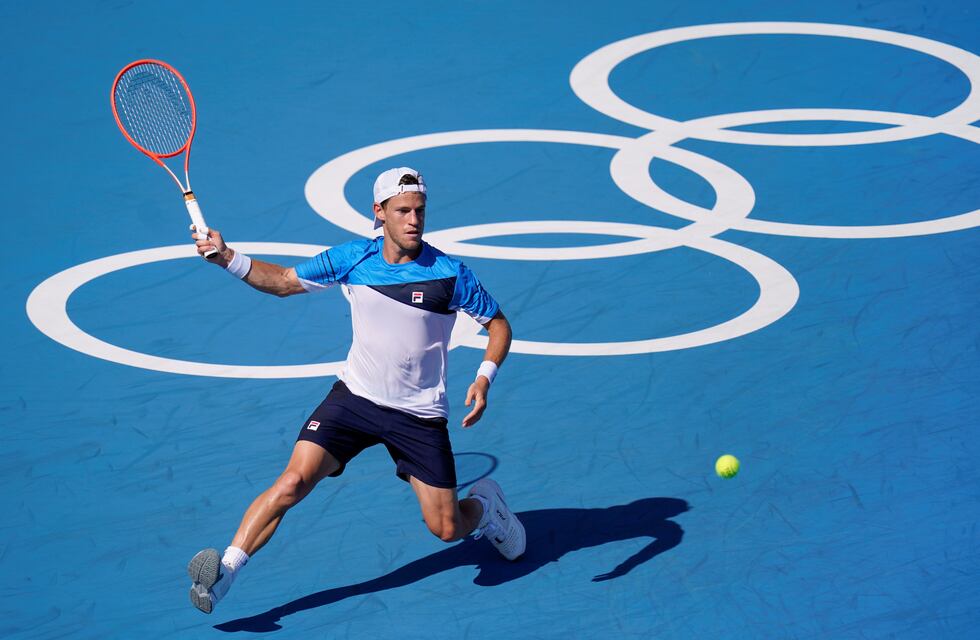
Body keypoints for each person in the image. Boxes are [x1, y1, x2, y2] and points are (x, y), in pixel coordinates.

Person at [186, 168, 525, 614]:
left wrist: (484, 377)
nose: (413, 221)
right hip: (355, 400)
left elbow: (497, 324)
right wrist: (227, 257)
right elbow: (285, 282)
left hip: (418, 416)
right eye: (402, 211)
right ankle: (224, 574)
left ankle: (486, 507)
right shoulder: (353, 258)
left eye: (419, 211)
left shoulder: (449, 273)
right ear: (379, 213)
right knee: (292, 482)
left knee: (445, 527)